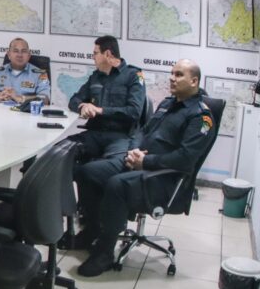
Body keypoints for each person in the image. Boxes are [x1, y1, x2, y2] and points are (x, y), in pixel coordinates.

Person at [75, 59, 214, 277]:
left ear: (194, 81)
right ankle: (93, 229)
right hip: (138, 162)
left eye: (179, 75)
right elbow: (142, 131)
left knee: (115, 184)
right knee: (87, 172)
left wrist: (145, 162)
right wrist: (133, 152)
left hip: (162, 179)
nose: (172, 78)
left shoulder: (201, 116)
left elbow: (185, 159)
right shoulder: (168, 103)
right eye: (172, 73)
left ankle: (104, 253)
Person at [63, 36, 146, 249]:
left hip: (120, 137)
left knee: (96, 171)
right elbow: (74, 99)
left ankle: (95, 227)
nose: (93, 57)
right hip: (94, 135)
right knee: (57, 156)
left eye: (95, 53)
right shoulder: (96, 77)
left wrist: (101, 110)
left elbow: (134, 112)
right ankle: (72, 221)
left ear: (108, 54)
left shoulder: (134, 76)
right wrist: (82, 106)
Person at [0, 38, 50, 104]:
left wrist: (19, 98)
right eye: (15, 51)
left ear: (28, 56)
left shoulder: (40, 74)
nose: (19, 55)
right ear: (9, 54)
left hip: (26, 116)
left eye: (23, 51)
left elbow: (44, 98)